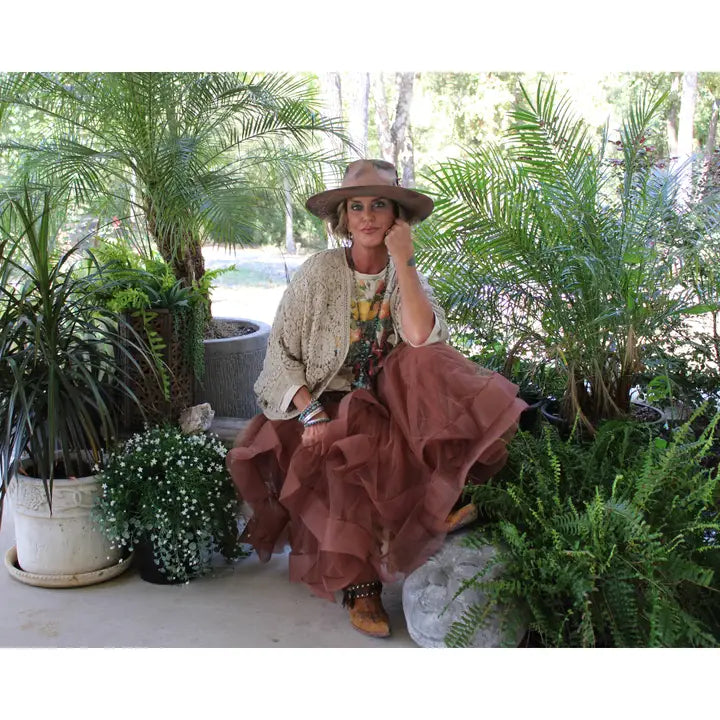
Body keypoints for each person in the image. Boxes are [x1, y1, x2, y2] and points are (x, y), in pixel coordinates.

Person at [227, 159, 527, 639]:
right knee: (348, 442)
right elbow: (279, 356)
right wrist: (310, 414)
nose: (367, 216)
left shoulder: (403, 271)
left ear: (396, 217)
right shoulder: (318, 273)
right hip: (319, 401)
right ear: (344, 218)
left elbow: (422, 336)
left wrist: (404, 260)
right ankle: (359, 585)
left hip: (385, 396)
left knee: (426, 359)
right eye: (357, 206)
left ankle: (439, 498)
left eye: (380, 205)